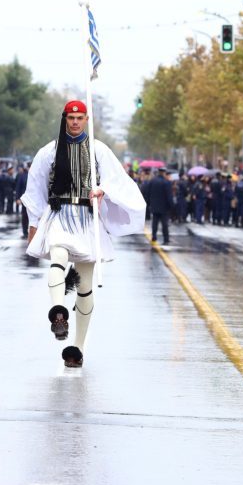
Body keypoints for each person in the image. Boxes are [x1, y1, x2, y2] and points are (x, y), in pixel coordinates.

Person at [21, 100, 145, 368]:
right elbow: (35, 189)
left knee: (84, 286)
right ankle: (58, 311)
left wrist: (103, 190)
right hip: (59, 214)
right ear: (64, 118)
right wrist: (34, 224)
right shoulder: (49, 151)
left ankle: (76, 347)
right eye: (71, 117)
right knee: (58, 257)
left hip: (87, 219)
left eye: (79, 117)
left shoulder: (98, 150)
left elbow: (118, 180)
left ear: (86, 119)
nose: (75, 122)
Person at [147, 167, 174, 245]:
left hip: (154, 206)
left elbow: (148, 194)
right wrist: (171, 206)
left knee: (154, 222)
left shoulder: (152, 181)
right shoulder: (166, 182)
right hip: (164, 207)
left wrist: (149, 204)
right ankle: (166, 239)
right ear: (164, 173)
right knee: (164, 224)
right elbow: (169, 196)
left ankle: (154, 236)